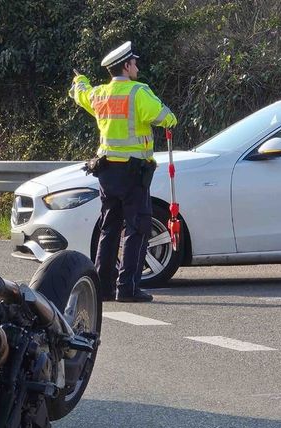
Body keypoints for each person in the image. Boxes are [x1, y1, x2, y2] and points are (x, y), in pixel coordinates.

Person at [70, 41, 177, 303]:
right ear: (126, 66)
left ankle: (103, 288)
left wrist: (80, 80)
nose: (137, 67)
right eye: (135, 63)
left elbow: (80, 93)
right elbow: (165, 116)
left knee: (109, 228)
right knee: (137, 227)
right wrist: (170, 119)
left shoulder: (99, 94)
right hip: (133, 172)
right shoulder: (138, 92)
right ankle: (127, 288)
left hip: (107, 171)